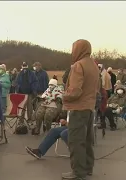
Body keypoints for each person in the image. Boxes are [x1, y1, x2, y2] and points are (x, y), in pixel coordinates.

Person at [62, 39, 99, 180]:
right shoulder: (94, 65)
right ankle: (88, 168)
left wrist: (64, 97)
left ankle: (78, 172)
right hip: (89, 108)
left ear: (79, 49)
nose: (72, 52)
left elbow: (75, 91)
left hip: (78, 108)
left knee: (76, 141)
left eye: (74, 48)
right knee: (88, 139)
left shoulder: (78, 65)